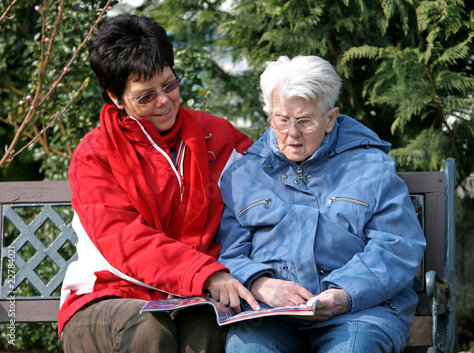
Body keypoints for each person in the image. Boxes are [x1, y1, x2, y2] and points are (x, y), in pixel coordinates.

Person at [58, 14, 259, 353]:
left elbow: (268, 197)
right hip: (106, 298)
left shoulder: (219, 135)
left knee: (211, 322)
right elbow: (125, 240)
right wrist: (206, 273)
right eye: (146, 95)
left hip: (192, 296)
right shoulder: (94, 155)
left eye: (169, 85)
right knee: (148, 328)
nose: (164, 101)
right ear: (116, 97)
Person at [215, 55, 427, 353]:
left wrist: (344, 294)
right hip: (271, 314)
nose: (292, 133)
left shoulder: (371, 166)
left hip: (361, 312)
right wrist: (259, 284)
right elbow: (227, 253)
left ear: (329, 119)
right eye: (281, 119)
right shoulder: (244, 174)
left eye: (305, 121)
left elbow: (397, 246)